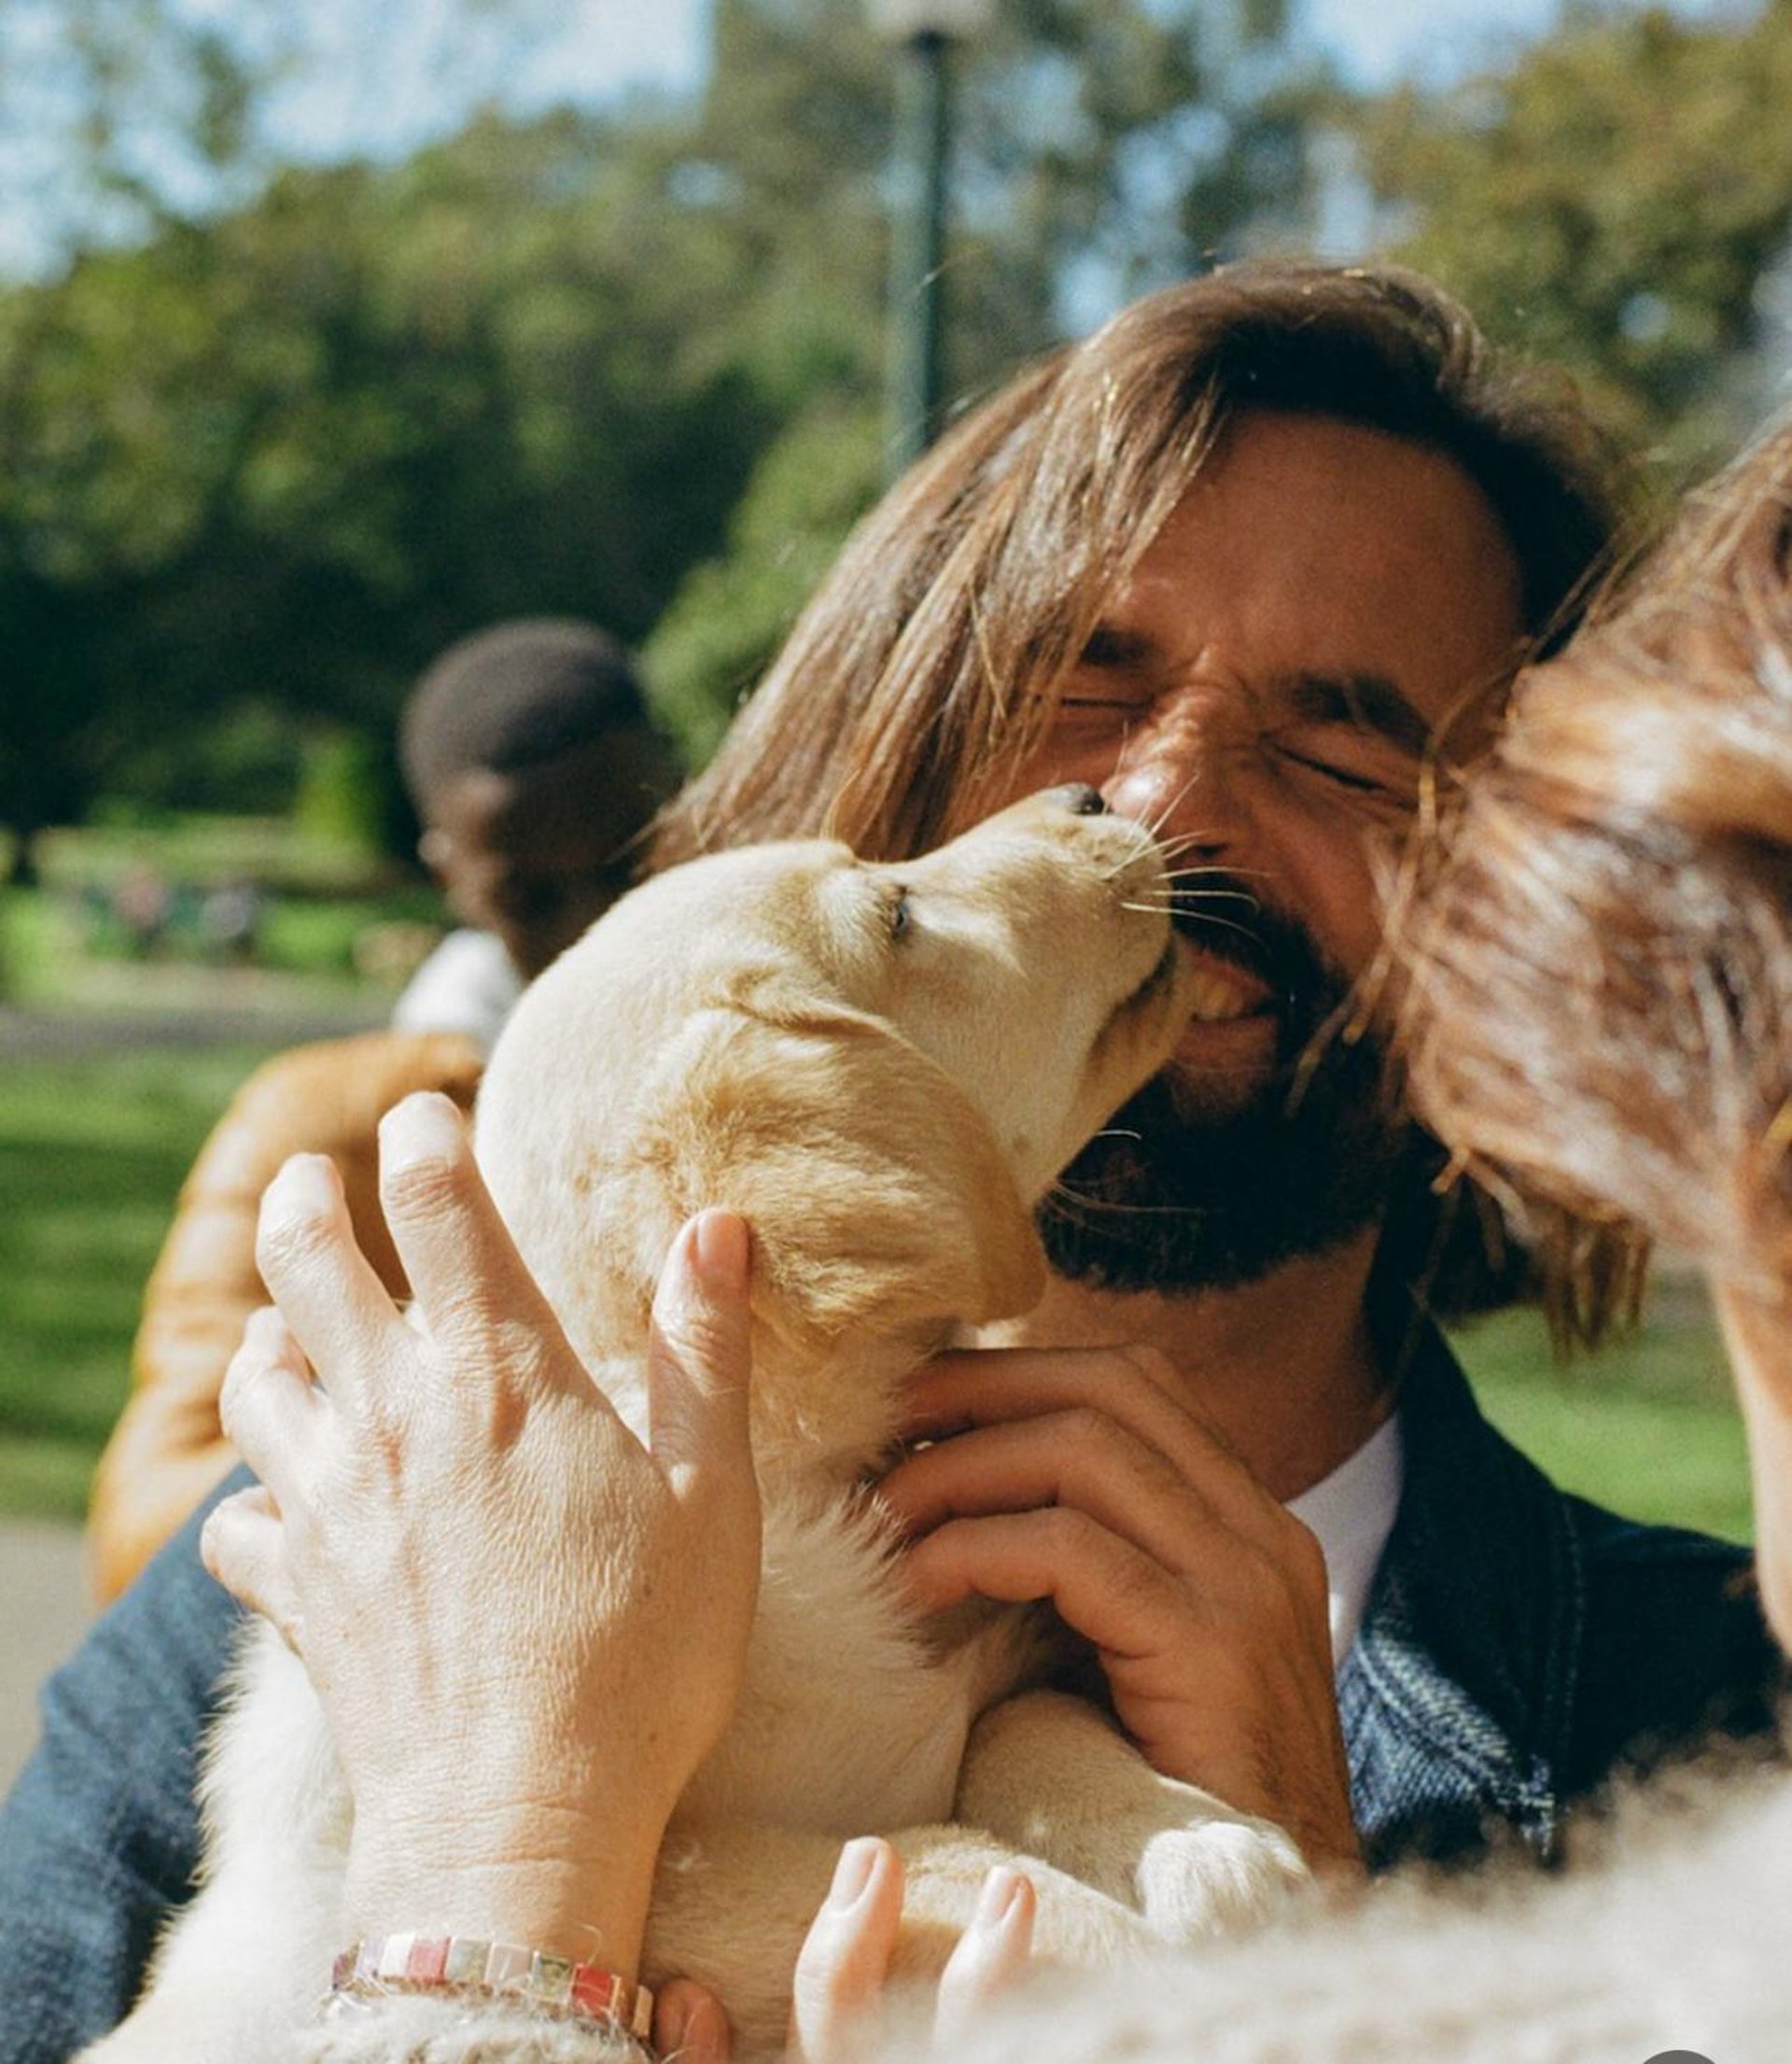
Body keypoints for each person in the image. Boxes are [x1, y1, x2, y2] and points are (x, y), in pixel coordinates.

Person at [2, 260, 1780, 2059]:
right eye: (1083, 681)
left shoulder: (1710, 1744)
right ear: (889, 735)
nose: (1166, 808)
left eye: (1342, 746)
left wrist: (1304, 1965)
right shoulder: (354, 1575)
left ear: (1529, 922)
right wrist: (505, 1858)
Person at [83, 620, 680, 1602]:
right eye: (532, 896)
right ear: (448, 869)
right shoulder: (331, 1129)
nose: (590, 930)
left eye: (623, 868)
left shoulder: (760, 1053)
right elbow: (151, 1526)